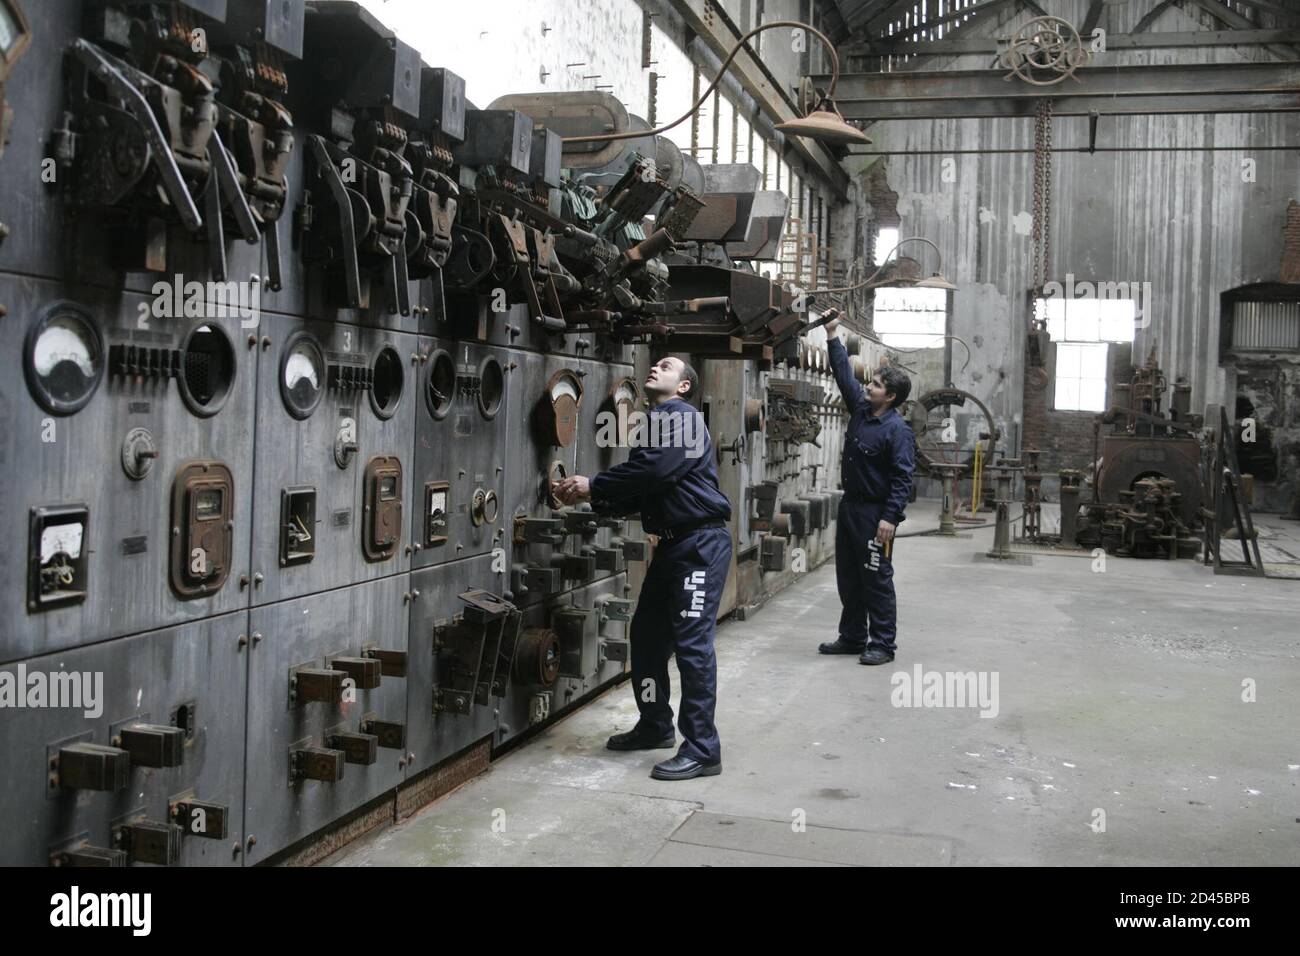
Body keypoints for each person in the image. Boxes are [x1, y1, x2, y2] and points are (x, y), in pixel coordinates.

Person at [555, 356, 732, 780]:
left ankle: (704, 749)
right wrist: (593, 498)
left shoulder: (683, 418)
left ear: (684, 386)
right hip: (674, 546)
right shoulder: (658, 422)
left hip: (699, 546)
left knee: (692, 647)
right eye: (654, 364)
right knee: (649, 639)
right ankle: (655, 724)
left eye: (667, 367)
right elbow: (651, 488)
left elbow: (654, 469)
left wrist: (594, 485)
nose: (654, 367)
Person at [817, 312, 916, 665]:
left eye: (874, 384)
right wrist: (832, 335)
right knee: (849, 575)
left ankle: (883, 644)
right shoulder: (860, 411)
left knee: (875, 576)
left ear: (888, 397)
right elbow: (844, 374)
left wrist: (891, 517)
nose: (867, 387)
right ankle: (854, 636)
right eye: (870, 382)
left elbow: (904, 477)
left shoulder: (897, 431)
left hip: (876, 514)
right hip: (851, 508)